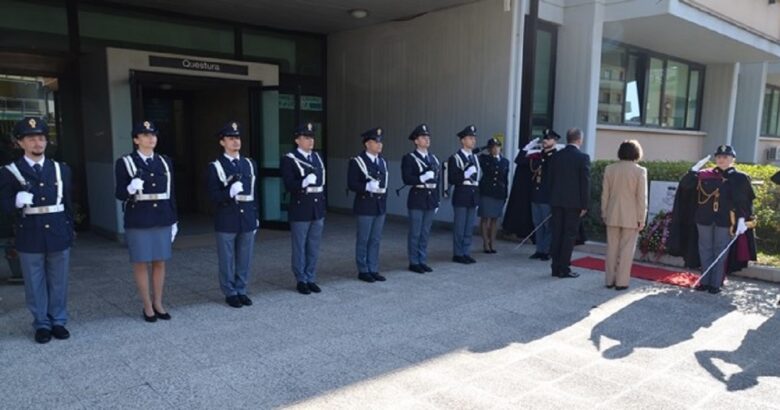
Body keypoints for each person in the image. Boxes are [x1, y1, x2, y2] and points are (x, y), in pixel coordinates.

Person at [0, 117, 74, 343]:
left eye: (41, 138)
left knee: (59, 279)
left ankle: (58, 320)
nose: (37, 143)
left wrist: (70, 230)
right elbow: (3, 204)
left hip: (58, 231)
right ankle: (41, 323)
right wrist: (14, 202)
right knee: (34, 281)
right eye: (31, 139)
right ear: (20, 143)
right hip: (29, 232)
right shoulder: (9, 171)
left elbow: (68, 203)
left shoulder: (60, 169)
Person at [115, 120, 178, 322]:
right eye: (145, 135)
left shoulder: (164, 161)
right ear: (136, 140)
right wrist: (130, 189)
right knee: (141, 263)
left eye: (153, 135)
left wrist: (174, 219)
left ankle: (158, 302)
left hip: (162, 216)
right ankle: (147, 305)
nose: (151, 138)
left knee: (160, 262)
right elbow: (119, 194)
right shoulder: (125, 162)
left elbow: (171, 193)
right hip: (139, 218)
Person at [673, 145, 756, 294]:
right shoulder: (705, 174)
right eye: (718, 157)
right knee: (705, 250)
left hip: (725, 220)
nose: (721, 160)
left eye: (725, 157)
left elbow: (744, 201)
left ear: (732, 159)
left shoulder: (740, 178)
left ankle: (715, 283)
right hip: (704, 219)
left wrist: (742, 219)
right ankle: (704, 281)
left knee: (720, 252)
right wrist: (693, 170)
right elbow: (685, 186)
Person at [207, 121, 259, 308]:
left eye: (237, 138)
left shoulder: (249, 164)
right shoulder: (215, 166)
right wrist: (228, 192)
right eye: (231, 138)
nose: (236, 141)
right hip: (227, 217)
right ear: (222, 142)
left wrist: (256, 216)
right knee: (227, 258)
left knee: (245, 256)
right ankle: (230, 291)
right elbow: (212, 196)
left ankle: (241, 289)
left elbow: (255, 193)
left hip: (247, 217)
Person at [281, 123, 325, 295]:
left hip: (317, 207)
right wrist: (303, 182)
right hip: (301, 207)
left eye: (312, 137)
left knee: (313, 245)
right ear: (297, 140)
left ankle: (310, 276)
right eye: (306, 137)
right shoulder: (289, 159)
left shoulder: (317, 157)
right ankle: (301, 279)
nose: (310, 141)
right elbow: (288, 184)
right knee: (299, 246)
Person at [601, 140, 648, 291]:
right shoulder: (640, 171)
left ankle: (609, 280)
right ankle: (621, 282)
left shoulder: (610, 169)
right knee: (626, 251)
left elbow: (605, 195)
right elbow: (641, 198)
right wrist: (642, 218)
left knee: (611, 249)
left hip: (612, 213)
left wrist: (604, 212)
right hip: (631, 216)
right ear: (637, 153)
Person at [547, 128, 590, 279]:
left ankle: (555, 267)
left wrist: (551, 198)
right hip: (574, 203)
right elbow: (584, 183)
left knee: (557, 233)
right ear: (579, 140)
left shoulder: (556, 156)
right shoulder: (582, 157)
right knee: (569, 235)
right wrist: (584, 204)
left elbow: (549, 179)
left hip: (556, 201)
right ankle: (564, 268)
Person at [347, 127, 388, 283]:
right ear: (367, 144)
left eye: (380, 141)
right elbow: (351, 183)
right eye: (376, 142)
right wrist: (366, 187)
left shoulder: (382, 161)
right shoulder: (357, 161)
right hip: (365, 205)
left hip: (379, 205)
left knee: (375, 239)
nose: (379, 144)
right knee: (364, 239)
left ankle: (373, 268)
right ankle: (363, 269)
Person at [401, 123, 440, 274]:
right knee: (415, 232)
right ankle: (413, 261)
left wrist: (437, 200)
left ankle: (422, 259)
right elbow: (407, 178)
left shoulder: (433, 158)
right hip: (417, 197)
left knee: (425, 232)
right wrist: (422, 178)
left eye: (428, 137)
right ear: (416, 141)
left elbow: (437, 181)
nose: (427, 139)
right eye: (423, 137)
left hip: (430, 198)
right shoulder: (409, 158)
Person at [520, 129, 562, 260]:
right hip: (536, 195)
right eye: (544, 138)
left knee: (547, 226)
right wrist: (526, 148)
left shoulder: (556, 157)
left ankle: (546, 251)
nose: (545, 141)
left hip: (547, 196)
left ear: (554, 141)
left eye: (548, 139)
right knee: (537, 224)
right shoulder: (538, 155)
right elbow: (520, 160)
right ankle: (539, 249)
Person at [447, 125, 481, 264]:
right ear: (462, 140)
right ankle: (458, 253)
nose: (473, 141)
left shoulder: (475, 157)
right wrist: (464, 174)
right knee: (460, 226)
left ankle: (466, 252)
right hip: (462, 192)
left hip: (473, 193)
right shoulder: (455, 158)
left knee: (469, 226)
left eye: (474, 138)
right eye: (470, 138)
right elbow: (452, 178)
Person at [477, 137, 509, 254]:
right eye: (492, 147)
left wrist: (506, 193)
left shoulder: (505, 161)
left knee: (495, 218)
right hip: (487, 191)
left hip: (498, 192)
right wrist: (484, 148)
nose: (496, 149)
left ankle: (492, 243)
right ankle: (485, 243)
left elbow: (505, 179)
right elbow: (474, 153)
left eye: (497, 147)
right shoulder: (485, 159)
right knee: (485, 217)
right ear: (489, 149)